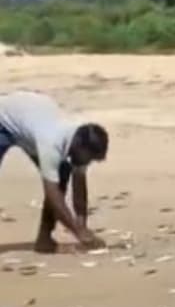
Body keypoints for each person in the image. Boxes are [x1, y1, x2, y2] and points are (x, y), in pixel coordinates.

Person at [0, 91, 108, 253]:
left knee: (62, 175)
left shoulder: (80, 141)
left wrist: (82, 225)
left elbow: (78, 184)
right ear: (78, 146)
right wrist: (79, 233)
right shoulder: (51, 143)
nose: (88, 163)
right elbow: (52, 193)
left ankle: (44, 240)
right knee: (56, 184)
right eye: (89, 158)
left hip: (30, 119)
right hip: (4, 120)